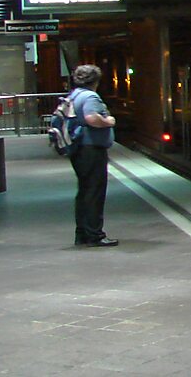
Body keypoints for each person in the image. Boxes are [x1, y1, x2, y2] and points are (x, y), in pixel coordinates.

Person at [68, 64, 118, 247]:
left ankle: (82, 233)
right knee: (94, 192)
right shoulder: (90, 96)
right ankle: (95, 235)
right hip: (91, 149)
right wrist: (108, 121)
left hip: (79, 149)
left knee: (84, 192)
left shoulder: (75, 95)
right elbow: (91, 118)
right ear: (95, 81)